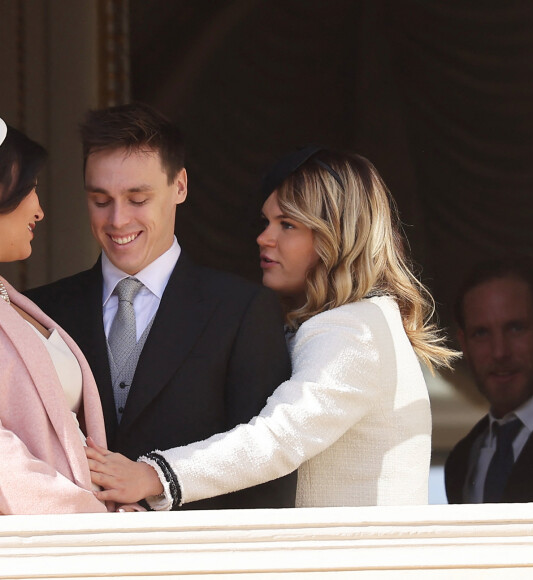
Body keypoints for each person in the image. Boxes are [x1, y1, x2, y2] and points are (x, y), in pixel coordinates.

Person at [86, 145, 458, 509]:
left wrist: (152, 477)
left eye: (288, 224)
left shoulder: (355, 330)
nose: (264, 238)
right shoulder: (348, 323)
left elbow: (280, 437)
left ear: (337, 234)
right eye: (266, 222)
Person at [26, 103, 296, 510]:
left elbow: (266, 472)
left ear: (180, 186)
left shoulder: (242, 311)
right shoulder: (41, 310)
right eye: (101, 200)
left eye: (137, 199)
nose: (117, 220)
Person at [0, 117, 108, 514]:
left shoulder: (11, 299)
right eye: (30, 189)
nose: (40, 210)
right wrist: (95, 522)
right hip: (48, 546)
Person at [445, 256, 533, 503]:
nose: (499, 352)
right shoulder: (461, 460)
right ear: (463, 344)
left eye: (516, 328)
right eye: (481, 333)